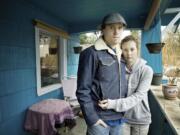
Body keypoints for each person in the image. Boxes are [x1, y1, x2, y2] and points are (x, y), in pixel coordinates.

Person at [76, 13, 127, 135]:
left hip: (119, 117)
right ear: (103, 29)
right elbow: (82, 90)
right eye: (111, 27)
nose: (116, 32)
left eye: (120, 28)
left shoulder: (122, 54)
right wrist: (92, 119)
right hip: (100, 120)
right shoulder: (91, 53)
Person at [99, 35, 153, 135]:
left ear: (137, 50)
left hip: (141, 119)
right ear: (121, 51)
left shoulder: (146, 70)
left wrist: (112, 104)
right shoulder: (119, 70)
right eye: (125, 50)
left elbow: (138, 96)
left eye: (132, 49)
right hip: (123, 118)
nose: (129, 53)